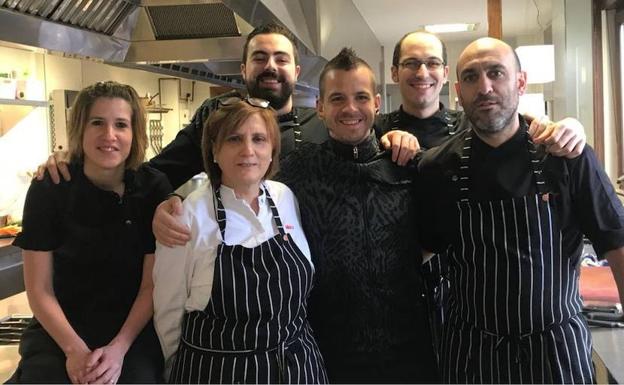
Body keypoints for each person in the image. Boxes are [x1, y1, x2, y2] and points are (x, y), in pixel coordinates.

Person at [417, 37, 624, 383]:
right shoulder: (437, 167)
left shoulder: (568, 155)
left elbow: (616, 244)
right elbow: (421, 252)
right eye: (471, 77)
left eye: (496, 73)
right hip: (472, 352)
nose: (484, 87)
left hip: (557, 349)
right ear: (457, 91)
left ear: (521, 82)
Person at [377, 30, 588, 353]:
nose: (422, 72)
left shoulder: (479, 118)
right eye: (411, 63)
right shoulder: (377, 133)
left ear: (448, 78)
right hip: (417, 296)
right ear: (394, 73)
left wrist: (572, 126)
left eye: (432, 63)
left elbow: (529, 124)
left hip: (491, 306)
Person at [277, 47, 438, 383]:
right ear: (320, 107)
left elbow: (434, 236)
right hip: (329, 351)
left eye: (361, 97)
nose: (350, 108)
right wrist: (179, 204)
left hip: (409, 348)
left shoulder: (406, 166)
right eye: (337, 99)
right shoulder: (295, 172)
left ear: (377, 104)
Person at [152, 98, 327, 383]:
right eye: (234, 139)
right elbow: (168, 314)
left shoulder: (285, 198)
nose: (248, 151)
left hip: (297, 368)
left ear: (272, 150)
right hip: (218, 372)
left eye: (259, 139)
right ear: (214, 150)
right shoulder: (188, 215)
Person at [9, 81, 171, 384]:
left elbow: (151, 286)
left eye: (120, 124)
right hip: (59, 334)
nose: (109, 135)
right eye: (97, 122)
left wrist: (119, 349)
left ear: (134, 133)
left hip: (130, 334)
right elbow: (39, 290)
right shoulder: (51, 187)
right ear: (80, 128)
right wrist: (75, 351)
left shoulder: (152, 188)